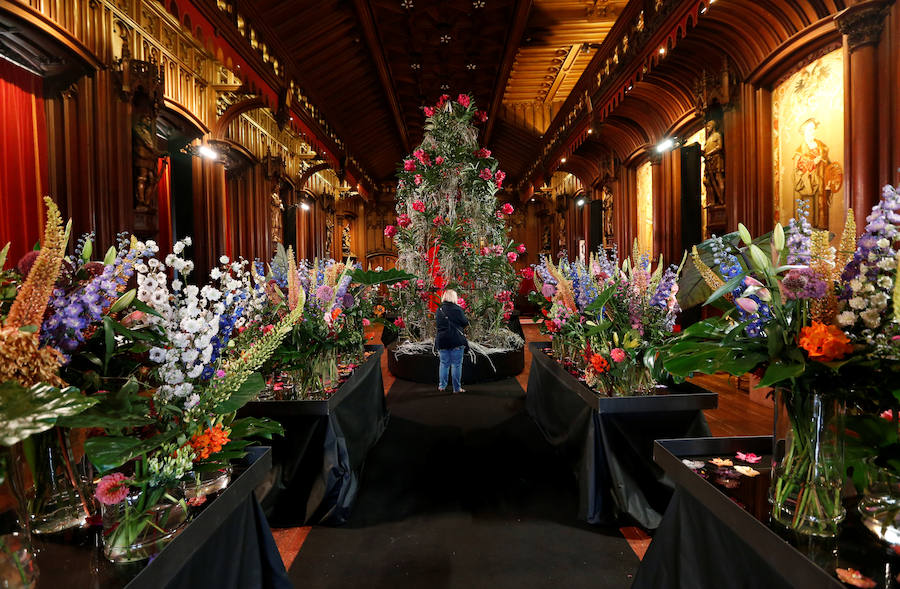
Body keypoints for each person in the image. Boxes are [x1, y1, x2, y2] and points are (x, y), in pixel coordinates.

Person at [435, 289, 468, 394]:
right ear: (454, 297)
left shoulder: (439, 310)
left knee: (444, 364)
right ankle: (456, 388)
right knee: (456, 365)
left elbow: (438, 325)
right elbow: (465, 322)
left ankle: (442, 386)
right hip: (456, 339)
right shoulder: (457, 309)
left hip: (442, 340)